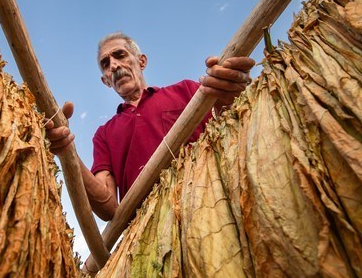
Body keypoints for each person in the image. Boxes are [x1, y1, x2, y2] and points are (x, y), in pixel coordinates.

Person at [45, 32, 254, 221]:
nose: (115, 66)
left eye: (120, 55)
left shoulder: (189, 91)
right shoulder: (104, 135)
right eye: (106, 64)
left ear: (141, 61)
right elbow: (108, 208)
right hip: (148, 229)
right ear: (105, 81)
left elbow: (234, 128)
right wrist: (67, 152)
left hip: (213, 205)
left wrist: (233, 92)